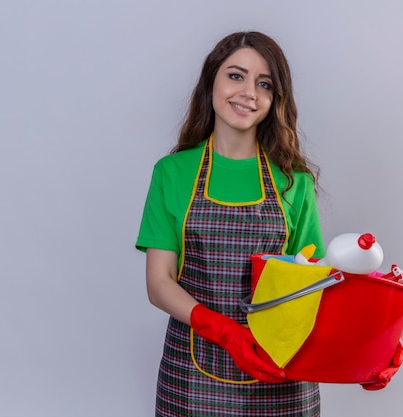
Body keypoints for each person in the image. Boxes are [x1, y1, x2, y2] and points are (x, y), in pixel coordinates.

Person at [135, 31, 325, 417]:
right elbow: (159, 283)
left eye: (264, 83)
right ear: (211, 82)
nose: (249, 93)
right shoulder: (173, 173)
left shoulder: (294, 182)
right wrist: (227, 333)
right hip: (192, 372)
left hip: (280, 371)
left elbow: (315, 286)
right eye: (236, 76)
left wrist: (370, 349)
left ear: (275, 100)